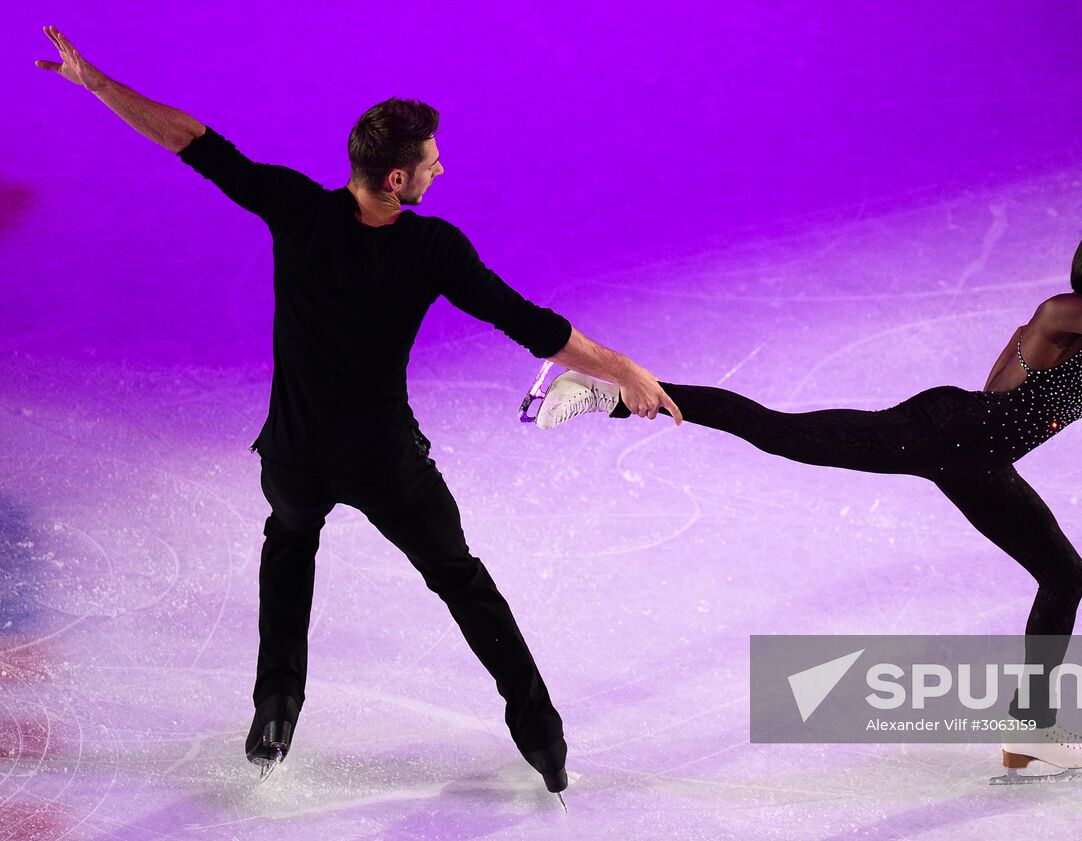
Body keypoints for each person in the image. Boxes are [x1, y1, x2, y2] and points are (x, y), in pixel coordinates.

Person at [35, 25, 683, 794]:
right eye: (432, 163)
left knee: (289, 538)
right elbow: (529, 325)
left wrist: (100, 83)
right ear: (398, 182)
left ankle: (276, 705)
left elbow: (195, 143)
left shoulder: (297, 209)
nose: (442, 170)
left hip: (298, 454)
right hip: (388, 462)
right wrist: (623, 368)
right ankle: (541, 733)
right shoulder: (434, 248)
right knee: (461, 579)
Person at [534, 205, 1082, 782]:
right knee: (776, 429)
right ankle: (604, 389)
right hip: (940, 434)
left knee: (1066, 574)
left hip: (977, 462)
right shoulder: (1065, 317)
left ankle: (1032, 726)